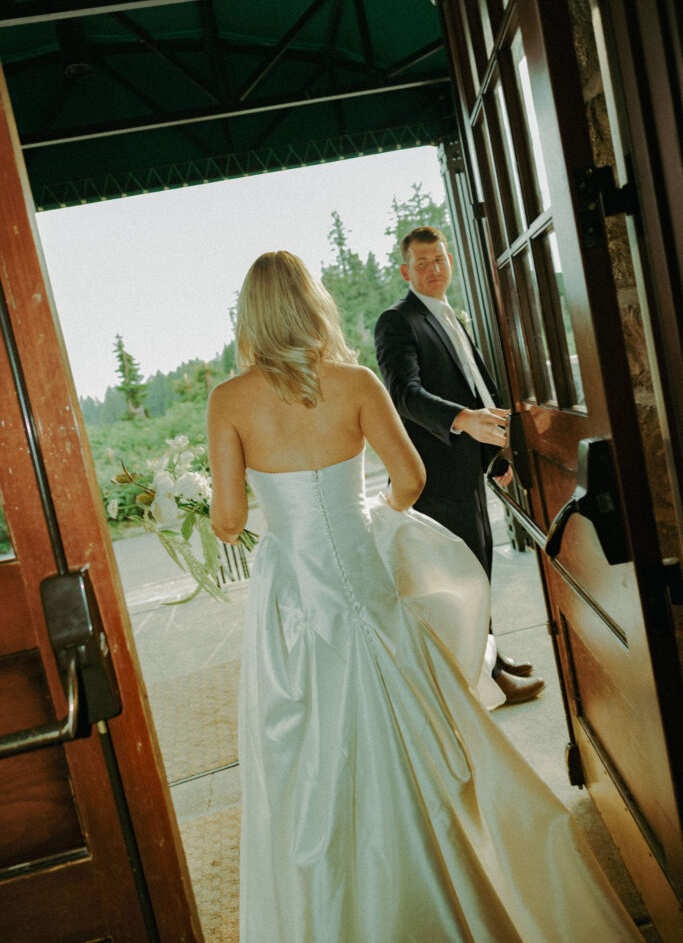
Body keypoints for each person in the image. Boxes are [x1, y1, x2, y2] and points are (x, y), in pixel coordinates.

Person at [207, 249, 643, 943]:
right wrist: (368, 514)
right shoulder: (352, 383)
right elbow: (408, 479)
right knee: (399, 719)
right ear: (311, 304)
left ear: (250, 316)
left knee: (302, 745)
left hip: (291, 597)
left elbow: (229, 521)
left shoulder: (227, 401)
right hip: (360, 579)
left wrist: (236, 505)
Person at [374, 225, 543, 705]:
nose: (433, 269)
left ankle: (492, 656)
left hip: (468, 469)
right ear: (405, 271)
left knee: (482, 568)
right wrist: (464, 422)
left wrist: (494, 458)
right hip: (432, 478)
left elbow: (477, 389)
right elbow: (404, 395)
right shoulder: (396, 321)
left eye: (439, 259)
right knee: (460, 581)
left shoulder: (449, 315)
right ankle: (482, 681)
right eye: (422, 263)